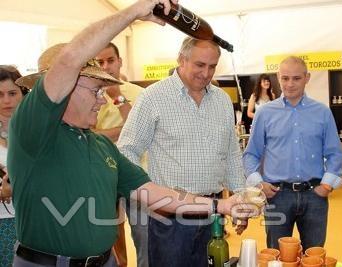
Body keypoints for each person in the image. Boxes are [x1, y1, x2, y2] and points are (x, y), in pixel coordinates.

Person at [8, 1, 256, 266]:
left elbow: (150, 191)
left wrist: (222, 206)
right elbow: (70, 61)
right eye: (95, 91)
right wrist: (133, 13)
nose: (102, 101)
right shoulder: (33, 134)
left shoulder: (100, 145)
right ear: (65, 88)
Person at [118, 36, 246, 266]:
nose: (206, 73)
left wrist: (241, 195)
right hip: (169, 219)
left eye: (212, 66)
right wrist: (149, 194)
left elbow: (232, 154)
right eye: (199, 65)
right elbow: (126, 152)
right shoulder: (153, 97)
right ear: (181, 59)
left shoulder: (223, 101)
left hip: (214, 214)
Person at [243, 56, 342, 250]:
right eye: (285, 78)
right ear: (278, 77)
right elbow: (251, 154)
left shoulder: (322, 112)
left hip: (315, 195)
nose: (290, 84)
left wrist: (327, 186)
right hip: (277, 196)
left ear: (307, 78)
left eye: (296, 78)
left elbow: (334, 153)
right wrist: (258, 183)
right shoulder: (265, 113)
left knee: (314, 256)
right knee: (276, 256)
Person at [93, 42, 145, 267]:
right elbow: (86, 135)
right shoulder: (87, 94)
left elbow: (139, 133)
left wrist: (118, 96)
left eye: (110, 61)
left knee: (144, 241)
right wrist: (122, 130)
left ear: (120, 61)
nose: (106, 67)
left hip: (135, 175)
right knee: (110, 243)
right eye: (99, 62)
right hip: (98, 179)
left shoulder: (141, 94)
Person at [0, 65, 28, 267]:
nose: (6, 101)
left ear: (23, 94)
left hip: (37, 219)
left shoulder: (37, 132)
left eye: (12, 93)